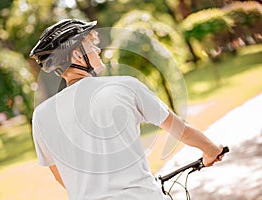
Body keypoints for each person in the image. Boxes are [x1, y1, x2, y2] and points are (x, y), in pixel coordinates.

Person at [29, 19, 224, 200]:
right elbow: (179, 129)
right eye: (91, 45)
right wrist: (211, 150)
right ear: (78, 55)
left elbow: (60, 175)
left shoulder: (41, 116)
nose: (97, 50)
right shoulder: (126, 87)